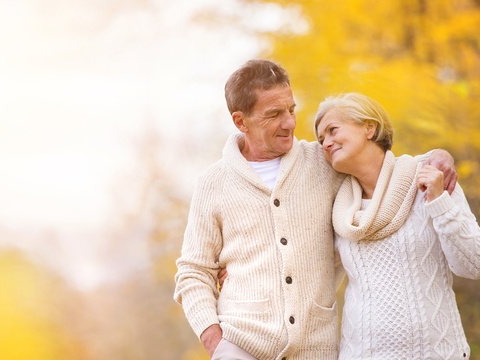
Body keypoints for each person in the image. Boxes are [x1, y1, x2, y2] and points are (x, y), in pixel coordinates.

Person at [173, 59, 457, 360]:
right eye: (274, 114)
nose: (290, 123)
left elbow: (382, 167)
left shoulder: (323, 162)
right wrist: (214, 338)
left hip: (316, 349)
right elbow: (193, 271)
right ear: (241, 122)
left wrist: (437, 156)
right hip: (240, 345)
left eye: (291, 110)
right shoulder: (213, 183)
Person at [314, 92, 480, 359]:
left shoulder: (428, 177)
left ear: (369, 128)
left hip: (437, 353)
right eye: (321, 139)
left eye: (333, 130)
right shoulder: (338, 209)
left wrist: (438, 202)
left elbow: (476, 264)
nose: (326, 143)